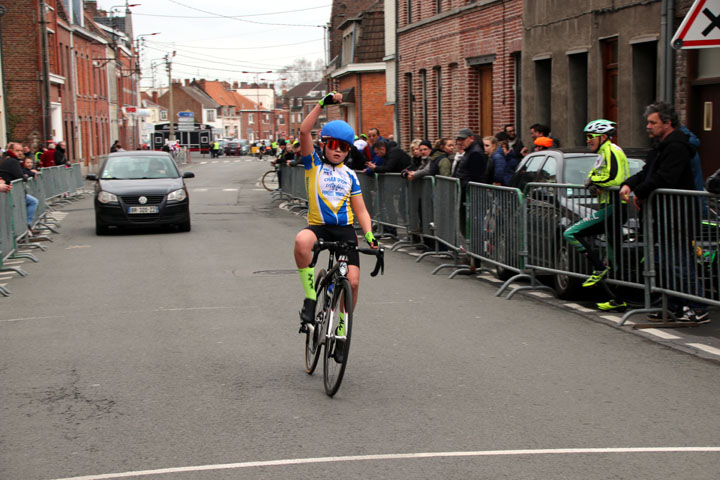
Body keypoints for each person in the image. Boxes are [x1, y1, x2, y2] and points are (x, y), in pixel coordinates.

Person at [294, 91, 378, 338]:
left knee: (351, 282)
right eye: (333, 145)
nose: (338, 150)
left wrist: (370, 234)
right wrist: (321, 104)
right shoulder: (313, 164)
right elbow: (303, 131)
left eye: (344, 147)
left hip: (344, 230)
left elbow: (360, 209)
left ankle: (342, 327)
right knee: (301, 241)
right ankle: (311, 298)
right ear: (324, 145)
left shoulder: (350, 174)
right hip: (318, 226)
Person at [620, 101, 709, 323]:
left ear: (667, 123)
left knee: (679, 261)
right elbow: (648, 172)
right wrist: (630, 183)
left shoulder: (676, 147)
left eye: (653, 122)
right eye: (647, 122)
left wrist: (639, 193)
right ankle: (675, 305)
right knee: (667, 261)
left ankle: (697, 306)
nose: (648, 126)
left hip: (677, 214)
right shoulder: (661, 145)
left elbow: (665, 177)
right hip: (665, 215)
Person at [562, 120, 630, 311]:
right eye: (587, 136)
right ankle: (619, 299)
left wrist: (593, 181)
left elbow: (614, 178)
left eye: (591, 136)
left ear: (603, 137)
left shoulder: (612, 150)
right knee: (614, 255)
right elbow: (596, 176)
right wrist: (592, 182)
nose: (588, 140)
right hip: (609, 205)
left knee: (571, 233)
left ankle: (599, 268)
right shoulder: (602, 153)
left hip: (613, 207)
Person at [0, 142, 39, 231]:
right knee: (33, 202)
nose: (20, 153)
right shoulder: (12, 161)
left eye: (21, 150)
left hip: (9, 190)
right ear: (11, 150)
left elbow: (22, 171)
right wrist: (26, 176)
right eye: (17, 151)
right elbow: (20, 175)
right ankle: (26, 227)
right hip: (11, 191)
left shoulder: (6, 159)